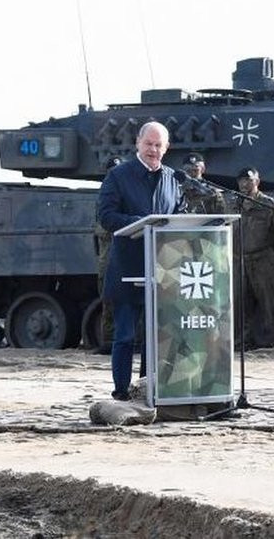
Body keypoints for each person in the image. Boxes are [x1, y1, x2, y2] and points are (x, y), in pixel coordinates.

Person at [97, 122, 185, 401]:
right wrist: (140, 223)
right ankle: (121, 391)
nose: (153, 150)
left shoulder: (173, 178)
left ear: (166, 148)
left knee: (155, 339)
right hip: (128, 268)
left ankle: (148, 389)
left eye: (159, 145)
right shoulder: (118, 176)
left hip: (162, 270)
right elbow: (106, 216)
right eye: (149, 144)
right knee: (125, 336)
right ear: (138, 143)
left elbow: (179, 216)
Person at [233, 167, 274, 348]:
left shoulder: (269, 205)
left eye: (248, 180)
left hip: (262, 259)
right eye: (241, 180)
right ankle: (241, 342)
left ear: (257, 181)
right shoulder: (232, 204)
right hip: (239, 260)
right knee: (239, 303)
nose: (244, 184)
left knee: (270, 301)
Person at [93, 155, 125, 355]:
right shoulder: (103, 196)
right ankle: (107, 340)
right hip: (107, 253)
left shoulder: (126, 194)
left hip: (122, 252)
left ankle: (130, 338)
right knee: (106, 296)